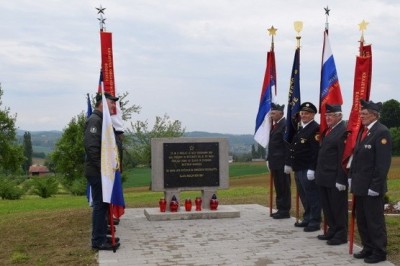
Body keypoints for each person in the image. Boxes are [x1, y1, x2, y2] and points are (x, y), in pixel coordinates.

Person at [349, 99, 392, 264]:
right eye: (361, 113)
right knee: (362, 219)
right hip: (360, 185)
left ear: (374, 115)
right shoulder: (364, 131)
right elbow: (357, 157)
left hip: (372, 187)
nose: (361, 116)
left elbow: (382, 164)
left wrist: (375, 186)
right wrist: (351, 176)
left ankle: (379, 251)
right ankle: (368, 247)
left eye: (364, 114)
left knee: (374, 221)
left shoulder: (382, 132)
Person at [84, 92, 121, 251]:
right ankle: (98, 241)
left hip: (102, 171)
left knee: (104, 204)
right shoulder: (95, 120)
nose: (114, 106)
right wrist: (103, 170)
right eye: (112, 103)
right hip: (97, 171)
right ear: (103, 103)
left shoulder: (102, 120)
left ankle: (101, 234)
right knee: (100, 205)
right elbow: (92, 149)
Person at [284, 102, 321, 232]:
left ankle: (315, 221)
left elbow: (315, 151)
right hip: (298, 167)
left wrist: (312, 168)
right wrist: (289, 163)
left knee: (312, 195)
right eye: (302, 113)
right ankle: (307, 217)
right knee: (304, 195)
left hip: (307, 168)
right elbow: (293, 147)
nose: (304, 115)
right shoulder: (301, 128)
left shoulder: (316, 129)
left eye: (307, 113)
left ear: (313, 115)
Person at [315, 104, 348, 245]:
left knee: (338, 208)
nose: (327, 118)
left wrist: (341, 179)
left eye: (331, 115)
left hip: (335, 178)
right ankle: (332, 230)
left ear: (339, 116)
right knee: (328, 207)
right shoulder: (329, 130)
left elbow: (343, 157)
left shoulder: (343, 131)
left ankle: (340, 234)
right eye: (326, 116)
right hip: (324, 177)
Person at [267, 103, 291, 219]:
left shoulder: (284, 125)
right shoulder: (276, 126)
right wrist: (268, 159)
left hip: (282, 163)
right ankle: (280, 208)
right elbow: (272, 145)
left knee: (284, 187)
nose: (271, 115)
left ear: (281, 113)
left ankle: (285, 210)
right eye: (271, 113)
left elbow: (286, 146)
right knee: (278, 187)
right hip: (275, 163)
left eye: (273, 113)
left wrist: (288, 163)